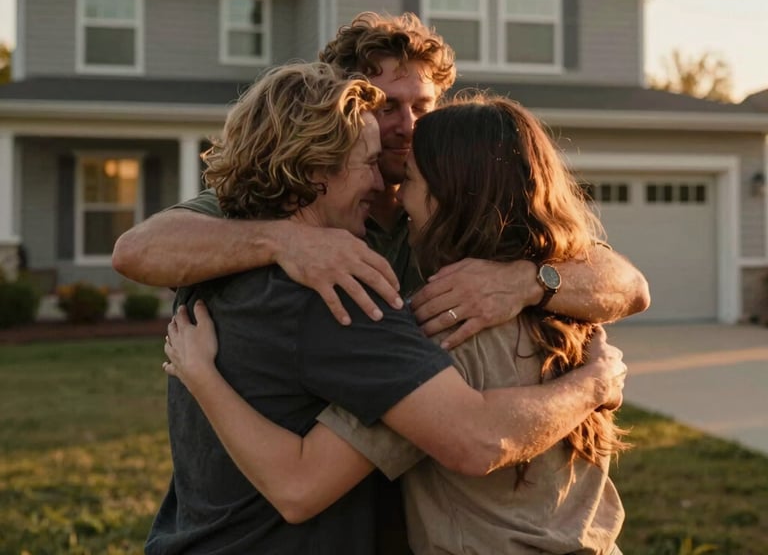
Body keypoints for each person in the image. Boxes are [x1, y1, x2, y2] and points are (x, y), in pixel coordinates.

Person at [147, 63, 628, 554]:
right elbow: (475, 437)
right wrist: (593, 384)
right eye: (370, 163)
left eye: (405, 176)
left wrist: (202, 377)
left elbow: (630, 285)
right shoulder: (346, 300)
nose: (385, 185)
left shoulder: (208, 271)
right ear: (317, 171)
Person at [112, 12, 650, 347]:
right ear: (349, 104)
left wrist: (529, 282)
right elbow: (137, 250)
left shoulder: (464, 199)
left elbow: (629, 286)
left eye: (422, 104)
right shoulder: (297, 197)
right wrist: (284, 241)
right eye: (389, 106)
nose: (408, 126)